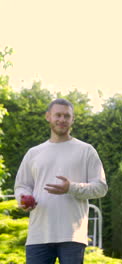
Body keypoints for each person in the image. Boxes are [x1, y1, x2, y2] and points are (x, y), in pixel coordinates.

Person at [14, 98, 108, 264]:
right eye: (58, 115)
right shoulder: (33, 153)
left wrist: (71, 187)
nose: (62, 120)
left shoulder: (86, 151)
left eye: (67, 116)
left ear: (72, 120)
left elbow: (100, 187)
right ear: (48, 116)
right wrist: (23, 199)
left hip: (72, 235)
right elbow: (22, 186)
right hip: (38, 235)